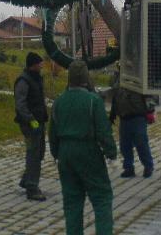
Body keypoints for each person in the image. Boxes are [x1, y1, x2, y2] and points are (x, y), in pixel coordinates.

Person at [49, 60, 117, 235]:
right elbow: (103, 131)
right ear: (86, 78)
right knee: (102, 198)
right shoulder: (93, 101)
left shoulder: (58, 102)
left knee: (72, 203)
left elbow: (52, 133)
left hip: (65, 154)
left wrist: (57, 154)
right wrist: (111, 152)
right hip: (88, 151)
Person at [14, 51, 48, 201]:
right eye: (39, 63)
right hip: (30, 124)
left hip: (39, 121)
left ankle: (26, 180)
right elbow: (20, 105)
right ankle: (32, 188)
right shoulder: (23, 81)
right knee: (33, 155)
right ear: (33, 65)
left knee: (39, 153)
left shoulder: (36, 78)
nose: (42, 65)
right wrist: (31, 120)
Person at [110, 86, 155, 178]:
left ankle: (148, 166)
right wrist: (113, 113)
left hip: (138, 117)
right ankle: (128, 168)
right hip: (124, 118)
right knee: (125, 145)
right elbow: (115, 97)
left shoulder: (139, 80)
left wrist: (150, 111)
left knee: (141, 142)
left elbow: (148, 95)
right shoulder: (119, 81)